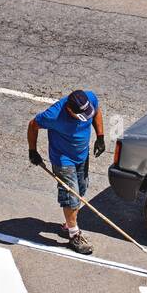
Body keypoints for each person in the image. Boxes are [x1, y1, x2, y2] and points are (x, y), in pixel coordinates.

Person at [28, 89, 105, 255]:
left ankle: (68, 225)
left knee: (81, 190)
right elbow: (33, 125)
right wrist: (32, 150)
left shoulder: (90, 98)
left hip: (82, 155)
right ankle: (74, 235)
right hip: (63, 159)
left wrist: (100, 137)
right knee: (71, 197)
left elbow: (96, 112)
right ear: (70, 110)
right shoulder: (52, 116)